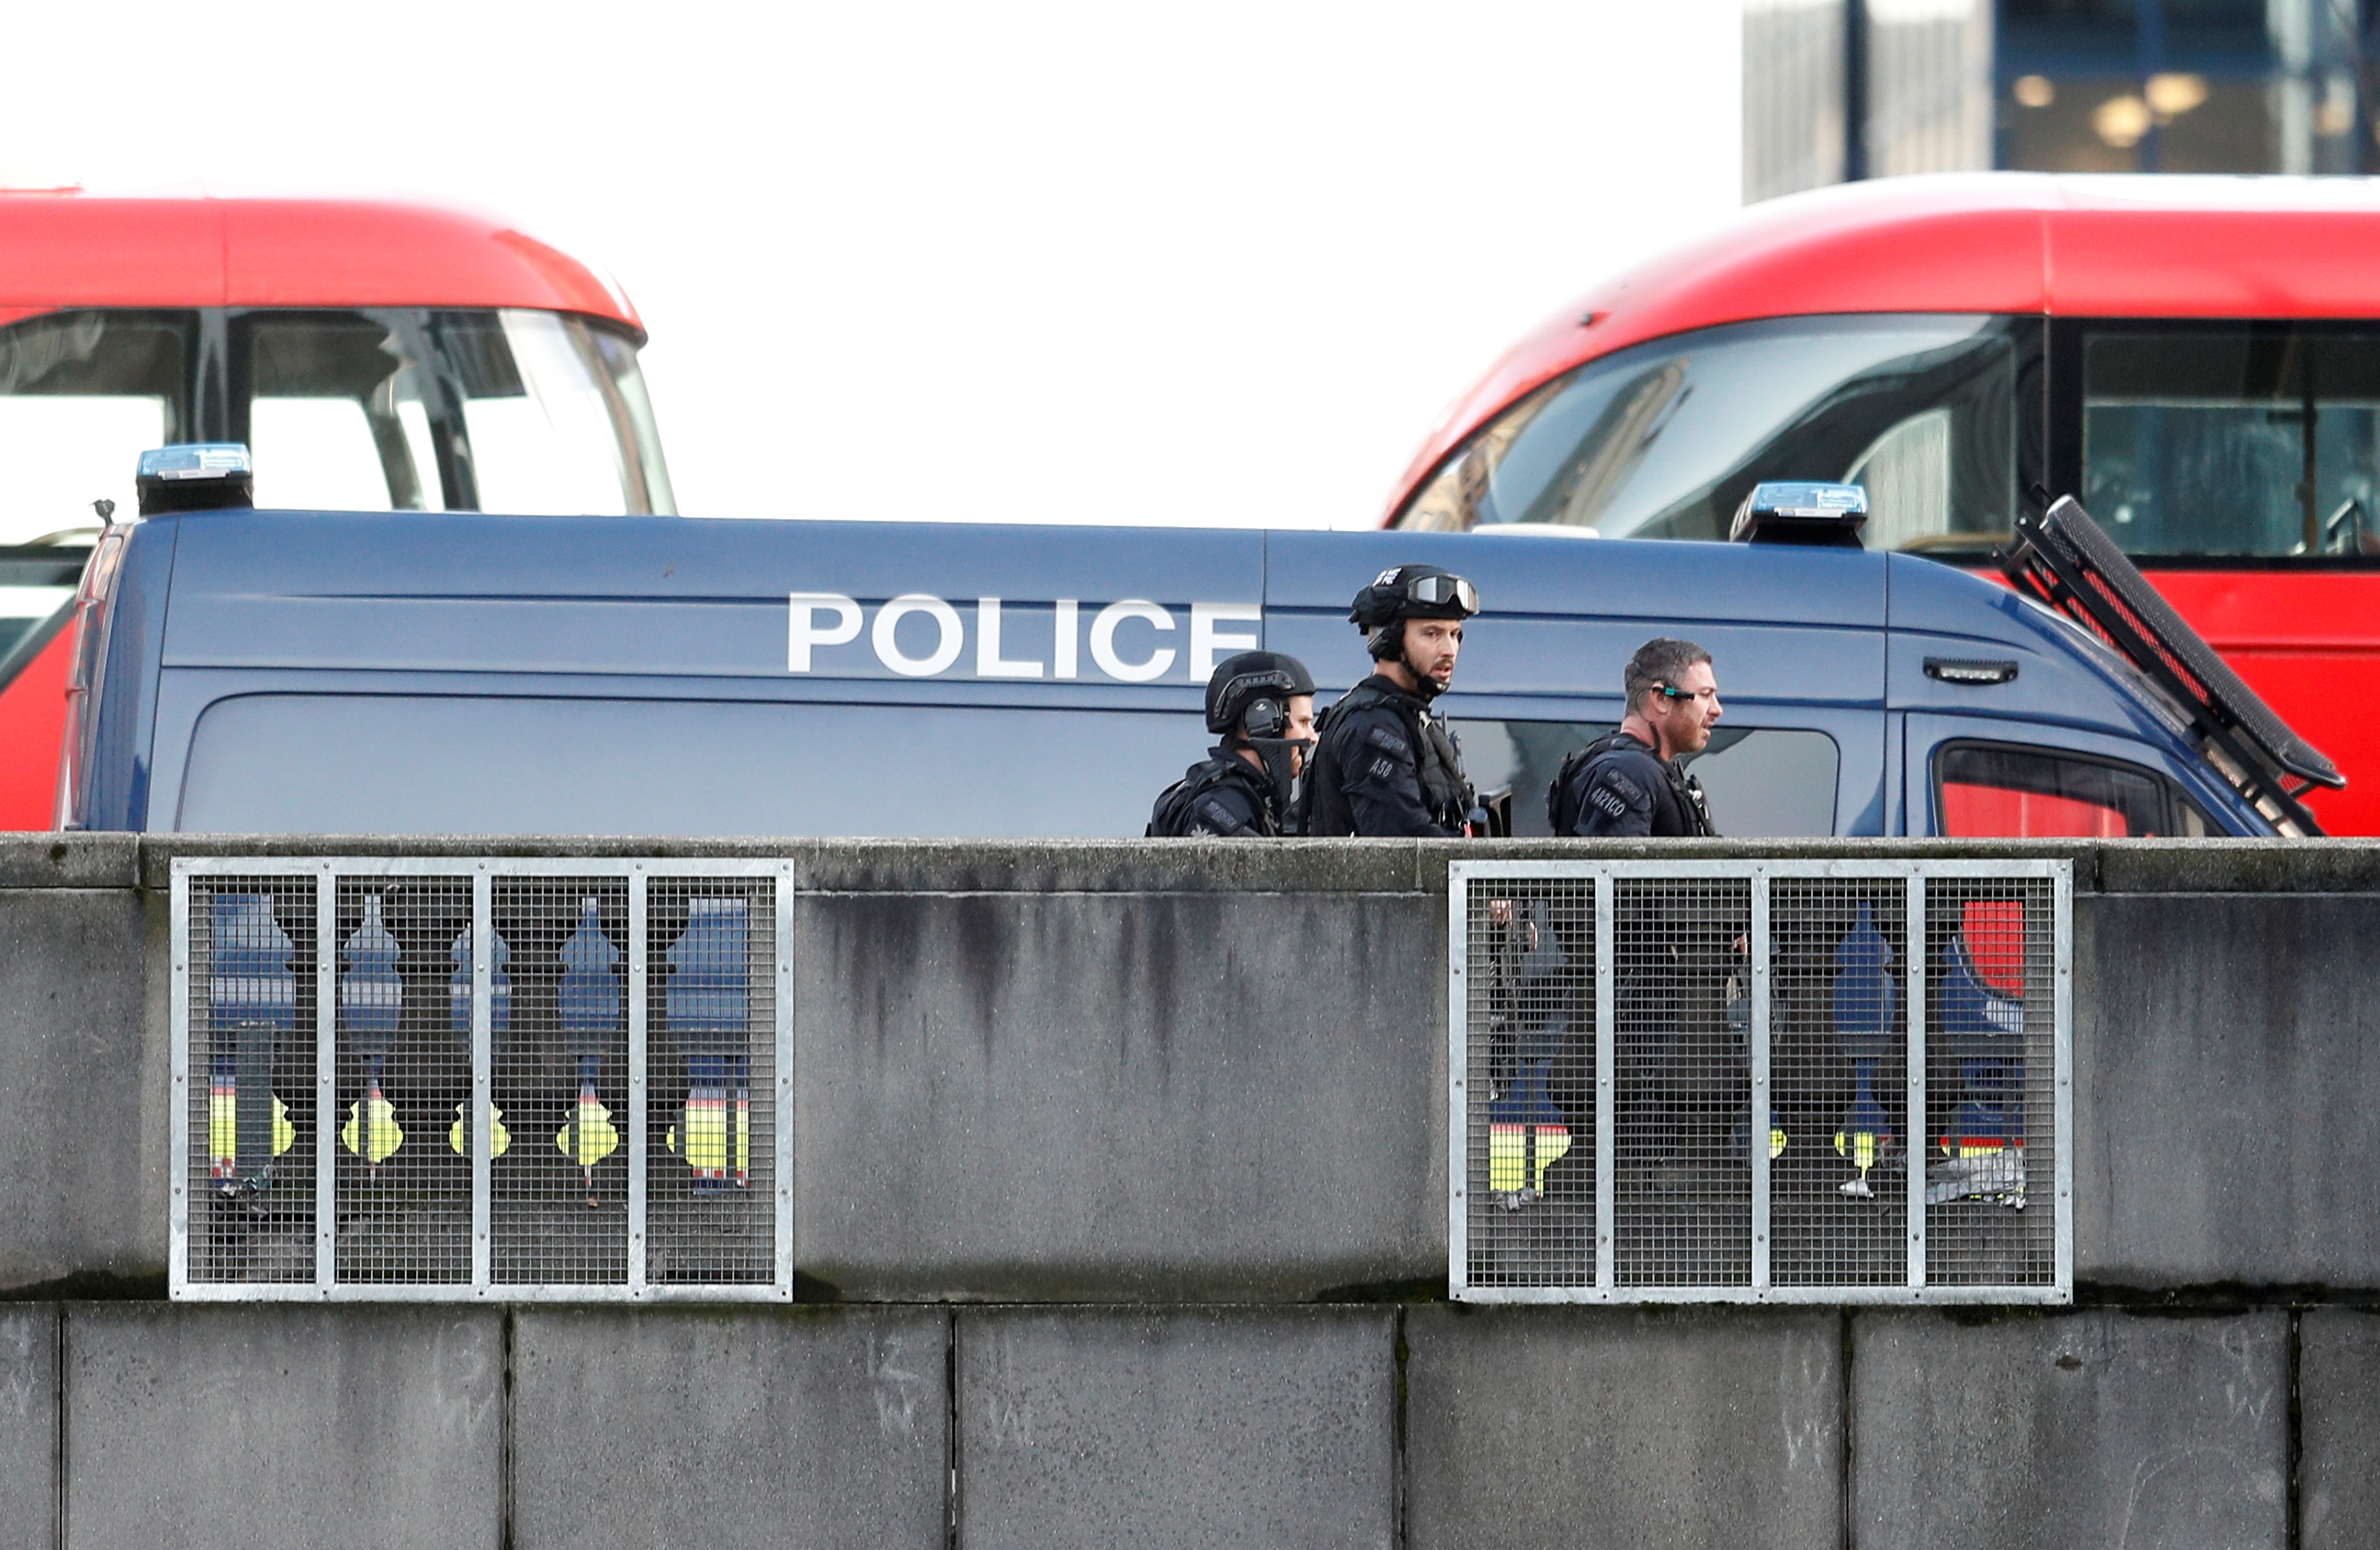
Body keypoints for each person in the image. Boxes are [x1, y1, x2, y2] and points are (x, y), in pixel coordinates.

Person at [1306, 563, 1481, 836]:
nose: (1449, 650)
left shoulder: (1409, 715)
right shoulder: (1372, 727)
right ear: (1391, 638)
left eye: (1455, 634)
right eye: (1432, 634)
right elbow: (1406, 846)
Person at [1547, 637, 1722, 837]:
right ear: (1661, 698)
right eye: (1705, 695)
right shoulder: (1628, 772)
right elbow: (1615, 866)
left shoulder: (1641, 768)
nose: (1717, 710)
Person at [1146, 650, 1317, 836]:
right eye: (1303, 722)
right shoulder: (1221, 809)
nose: (1313, 737)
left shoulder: (1248, 800)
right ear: (1263, 722)